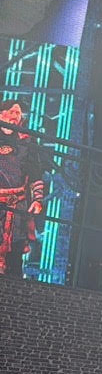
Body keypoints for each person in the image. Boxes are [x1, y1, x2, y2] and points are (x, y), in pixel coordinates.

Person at [0, 98, 47, 277]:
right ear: (1, 114)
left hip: (16, 206)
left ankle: (12, 286)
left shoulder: (26, 141)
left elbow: (35, 171)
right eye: (11, 112)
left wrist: (37, 199)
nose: (15, 116)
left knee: (15, 252)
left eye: (18, 113)